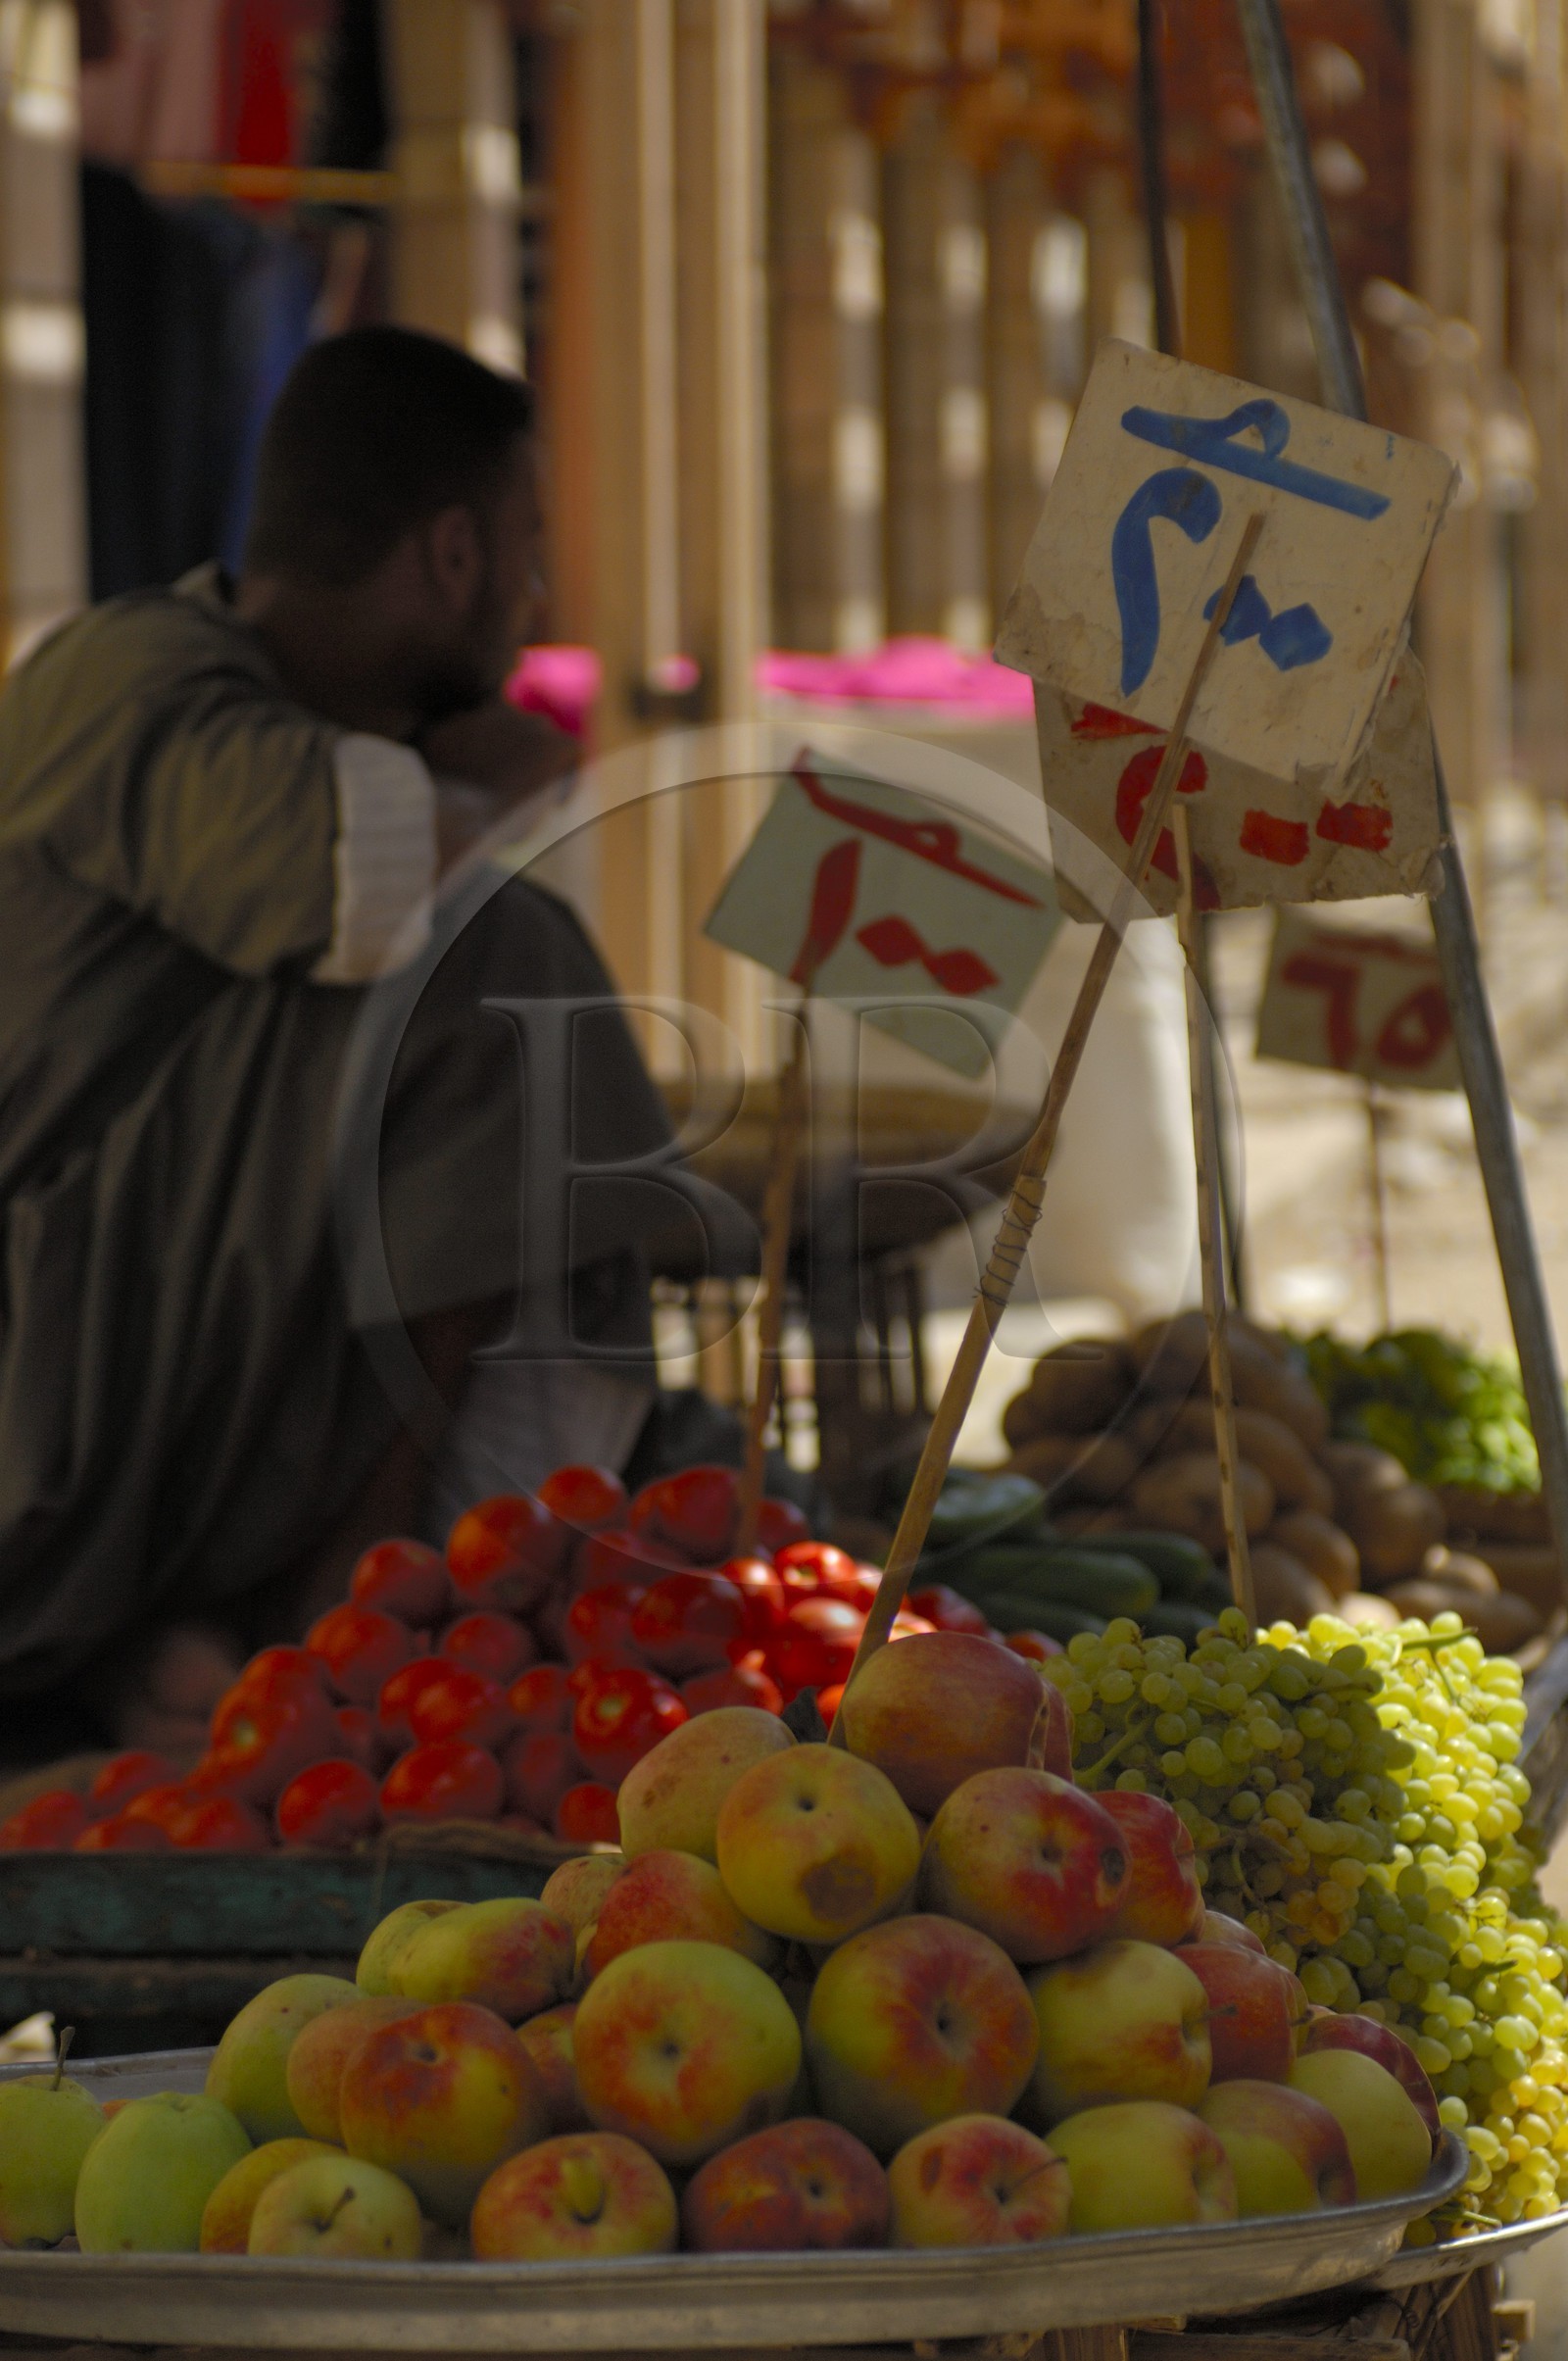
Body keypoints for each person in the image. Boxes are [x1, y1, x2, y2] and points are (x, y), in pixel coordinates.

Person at [0, 326, 687, 1760]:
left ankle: (385, 1602)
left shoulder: (265, 713)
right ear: (451, 554)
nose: (535, 594)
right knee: (510, 972)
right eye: (527, 547)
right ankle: (367, 1618)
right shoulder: (132, 667)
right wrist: (487, 783)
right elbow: (358, 881)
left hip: (144, 1328)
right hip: (46, 1366)